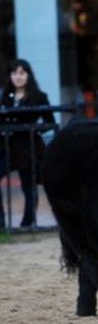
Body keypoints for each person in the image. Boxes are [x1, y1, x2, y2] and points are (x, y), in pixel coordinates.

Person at [0, 59, 55, 228]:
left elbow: (49, 122)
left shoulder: (39, 96)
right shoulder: (5, 96)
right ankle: (1, 222)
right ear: (10, 76)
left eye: (22, 73)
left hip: (28, 146)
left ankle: (27, 222)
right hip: (7, 145)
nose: (18, 77)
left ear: (28, 75)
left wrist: (33, 130)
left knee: (28, 185)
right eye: (15, 73)